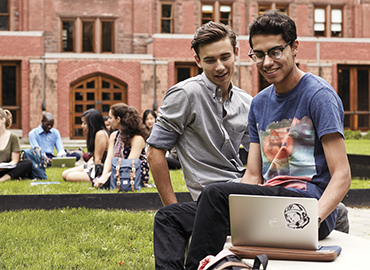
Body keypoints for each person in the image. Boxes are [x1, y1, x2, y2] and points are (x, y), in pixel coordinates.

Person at [180, 11, 352, 269]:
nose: (267, 62)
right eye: (258, 54)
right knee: (169, 216)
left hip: (306, 207)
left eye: (275, 52)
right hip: (268, 203)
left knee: (214, 194)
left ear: (294, 48)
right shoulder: (259, 103)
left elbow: (342, 175)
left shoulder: (318, 95)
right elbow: (252, 176)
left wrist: (310, 221)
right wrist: (240, 211)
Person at [146, 21, 252, 269]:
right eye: (210, 60)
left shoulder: (247, 102)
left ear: (237, 53)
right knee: (169, 216)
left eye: (225, 57)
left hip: (244, 197)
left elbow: (261, 159)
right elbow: (154, 153)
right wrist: (173, 207)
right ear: (197, 60)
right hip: (209, 204)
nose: (219, 66)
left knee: (167, 218)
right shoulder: (185, 95)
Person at [93, 104, 150, 188]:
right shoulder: (114, 135)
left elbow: (128, 164)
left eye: (110, 118)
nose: (108, 120)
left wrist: (107, 177)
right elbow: (109, 158)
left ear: (118, 119)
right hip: (116, 170)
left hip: (132, 173)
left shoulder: (137, 138)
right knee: (97, 181)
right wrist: (103, 176)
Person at [62, 108, 109, 183]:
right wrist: (86, 166)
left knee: (70, 176)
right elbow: (94, 156)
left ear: (92, 124)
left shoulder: (100, 134)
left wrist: (97, 178)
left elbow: (98, 159)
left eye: (84, 123)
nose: (82, 126)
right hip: (92, 164)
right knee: (64, 174)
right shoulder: (96, 134)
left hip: (100, 169)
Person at [0, 109, 32, 182]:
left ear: (3, 120)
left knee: (27, 163)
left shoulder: (13, 137)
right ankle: (15, 177)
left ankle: (2, 179)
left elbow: (15, 160)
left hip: (6, 169)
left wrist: (5, 166)